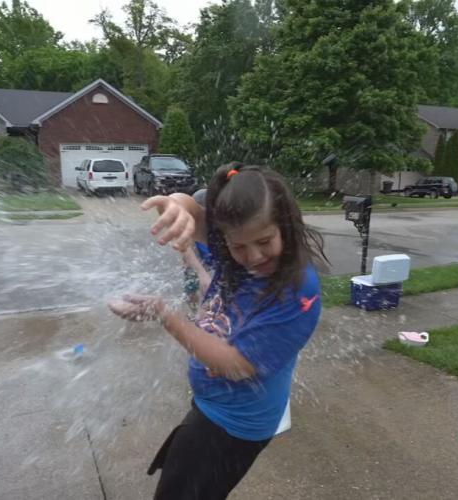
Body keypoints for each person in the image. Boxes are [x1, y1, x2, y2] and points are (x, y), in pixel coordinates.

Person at [108, 163, 326, 499]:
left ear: (285, 225)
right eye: (239, 247)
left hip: (235, 427)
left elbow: (235, 365)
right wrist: (176, 205)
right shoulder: (230, 245)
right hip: (214, 408)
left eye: (264, 241)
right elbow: (193, 210)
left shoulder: (297, 290)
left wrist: (163, 314)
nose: (252, 256)